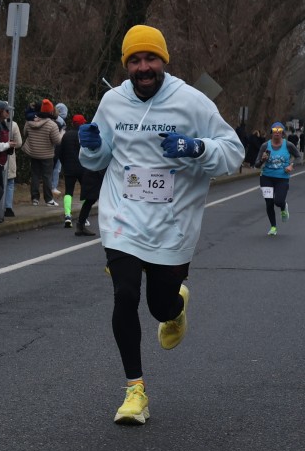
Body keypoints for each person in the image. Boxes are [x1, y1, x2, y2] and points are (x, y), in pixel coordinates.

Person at [78, 24, 243, 425]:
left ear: (163, 61)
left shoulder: (192, 102)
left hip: (173, 224)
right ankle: (135, 391)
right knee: (124, 294)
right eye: (134, 60)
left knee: (159, 306)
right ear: (126, 65)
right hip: (122, 218)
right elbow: (99, 159)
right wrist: (92, 146)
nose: (143, 67)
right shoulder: (113, 101)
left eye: (150, 58)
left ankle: (175, 306)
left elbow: (234, 152)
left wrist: (195, 146)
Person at [253, 122, 301, 235]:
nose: (277, 133)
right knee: (269, 203)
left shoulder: (288, 145)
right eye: (275, 131)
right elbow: (256, 164)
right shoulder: (265, 145)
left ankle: (283, 207)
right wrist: (262, 160)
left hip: (282, 177)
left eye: (279, 131)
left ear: (282, 133)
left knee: (278, 201)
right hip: (266, 177)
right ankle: (273, 227)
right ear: (272, 133)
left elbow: (298, 157)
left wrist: (291, 165)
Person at [63, 114, 102, 236]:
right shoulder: (87, 136)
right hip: (84, 168)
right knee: (90, 196)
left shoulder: (66, 135)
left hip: (69, 168)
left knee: (69, 192)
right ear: (83, 123)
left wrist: (64, 164)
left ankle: (68, 215)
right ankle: (82, 221)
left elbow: (60, 152)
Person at [23, 98, 62, 206]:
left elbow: (25, 133)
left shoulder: (29, 121)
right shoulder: (52, 125)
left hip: (33, 153)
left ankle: (35, 199)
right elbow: (57, 141)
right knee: (47, 177)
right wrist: (62, 134)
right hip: (46, 154)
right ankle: (49, 200)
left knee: (35, 176)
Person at [0, 100, 18, 223]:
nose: (8, 113)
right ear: (1, 112)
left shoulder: (1, 124)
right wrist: (7, 145)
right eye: (6, 111)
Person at [4, 108, 24, 218]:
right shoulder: (14, 125)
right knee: (10, 182)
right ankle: (8, 207)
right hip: (10, 155)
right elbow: (19, 143)